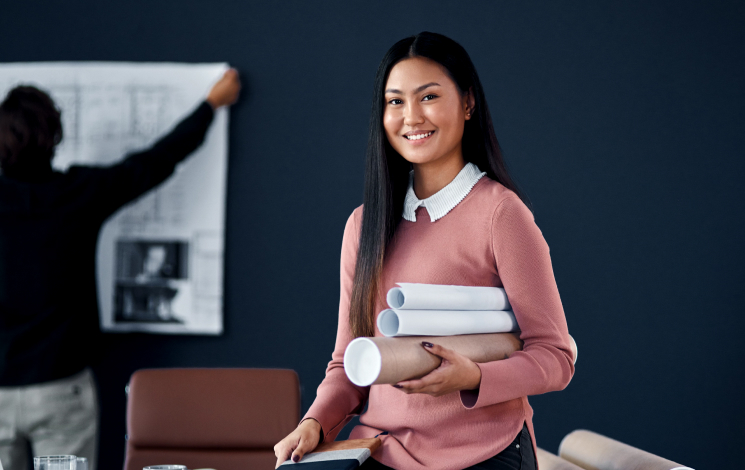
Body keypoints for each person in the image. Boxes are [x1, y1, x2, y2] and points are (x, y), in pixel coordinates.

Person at [273, 32, 574, 470]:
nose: (411, 116)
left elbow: (556, 356)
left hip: (484, 455)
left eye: (428, 96)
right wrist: (315, 422)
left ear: (468, 103)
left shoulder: (501, 214)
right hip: (382, 452)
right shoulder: (365, 224)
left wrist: (474, 377)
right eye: (395, 102)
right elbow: (348, 360)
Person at [0, 69, 240, 470]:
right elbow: (153, 162)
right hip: (62, 389)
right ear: (53, 138)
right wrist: (210, 105)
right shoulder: (77, 194)